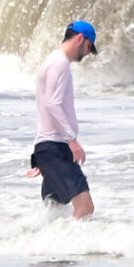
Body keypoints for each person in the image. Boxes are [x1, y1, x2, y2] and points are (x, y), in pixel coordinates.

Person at [31, 21, 97, 218]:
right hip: (55, 148)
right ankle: (75, 247)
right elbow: (52, 104)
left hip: (49, 148)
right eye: (89, 47)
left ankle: (46, 245)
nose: (88, 53)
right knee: (85, 207)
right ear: (79, 38)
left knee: (56, 210)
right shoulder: (59, 63)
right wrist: (72, 139)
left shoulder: (52, 61)